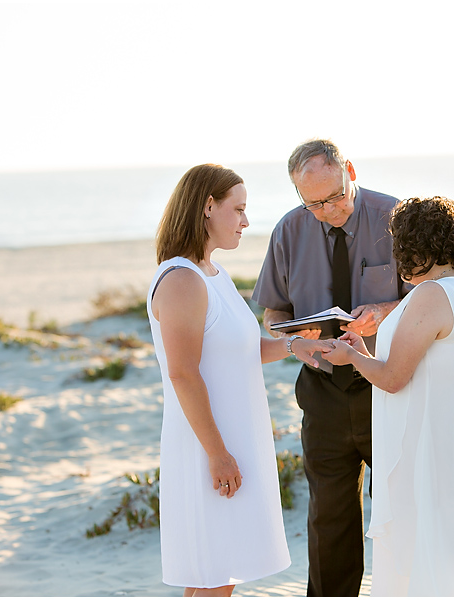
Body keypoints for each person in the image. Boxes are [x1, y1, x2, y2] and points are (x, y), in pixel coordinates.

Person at [147, 164, 331, 597]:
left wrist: (292, 347)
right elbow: (183, 373)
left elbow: (238, 351)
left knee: (216, 577)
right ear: (208, 207)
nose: (247, 222)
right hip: (208, 444)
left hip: (232, 439)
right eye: (239, 210)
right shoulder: (181, 281)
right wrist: (217, 454)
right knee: (215, 578)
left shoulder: (213, 274)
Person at [252, 139, 412, 596]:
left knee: (398, 514)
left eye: (335, 196)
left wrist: (381, 311)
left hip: (387, 386)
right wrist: (293, 344)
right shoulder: (288, 231)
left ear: (351, 172)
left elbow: (426, 297)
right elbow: (275, 315)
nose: (328, 210)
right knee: (328, 521)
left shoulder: (396, 218)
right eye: (314, 203)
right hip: (322, 393)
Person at [321, 196, 454, 596]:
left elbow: (394, 378)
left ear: (419, 245)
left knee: (424, 554)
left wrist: (350, 357)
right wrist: (365, 355)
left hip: (426, 453)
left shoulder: (432, 295)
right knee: (453, 552)